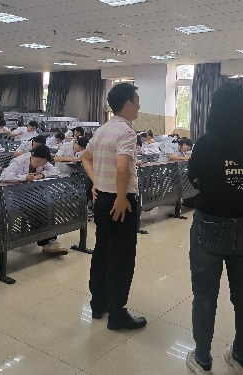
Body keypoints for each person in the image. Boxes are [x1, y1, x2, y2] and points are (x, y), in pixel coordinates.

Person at [186, 83, 243, 375]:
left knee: (205, 294)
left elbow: (194, 175)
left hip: (210, 221)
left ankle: (202, 358)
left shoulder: (207, 142)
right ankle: (241, 355)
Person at [81, 83, 146, 331]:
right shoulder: (127, 132)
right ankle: (117, 313)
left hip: (101, 199)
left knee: (102, 251)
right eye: (137, 101)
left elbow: (86, 158)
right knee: (121, 257)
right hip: (120, 201)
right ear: (128, 103)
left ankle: (99, 303)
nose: (139, 105)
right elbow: (122, 167)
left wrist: (97, 182)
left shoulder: (102, 129)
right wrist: (121, 197)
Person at [0, 144, 68, 256]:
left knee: (48, 206)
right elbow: (3, 176)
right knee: (36, 208)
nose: (40, 165)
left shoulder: (43, 161)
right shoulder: (19, 161)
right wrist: (24, 177)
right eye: (38, 162)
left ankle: (51, 241)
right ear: (32, 155)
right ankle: (47, 242)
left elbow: (56, 172)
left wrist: (42, 174)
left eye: (43, 163)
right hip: (16, 197)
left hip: (34, 194)